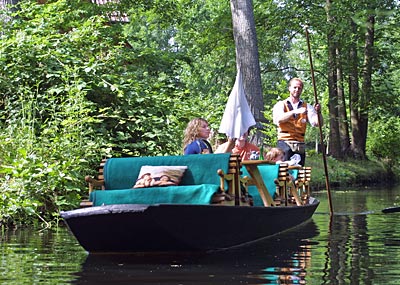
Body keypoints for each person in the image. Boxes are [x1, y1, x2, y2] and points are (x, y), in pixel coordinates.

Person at [272, 78, 322, 166]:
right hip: (285, 143)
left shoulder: (307, 107)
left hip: (300, 145)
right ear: (289, 88)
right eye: (295, 87)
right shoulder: (281, 104)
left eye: (299, 88)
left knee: (299, 173)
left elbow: (317, 123)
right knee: (284, 172)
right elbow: (278, 119)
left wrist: (318, 112)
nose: (297, 90)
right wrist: (294, 112)